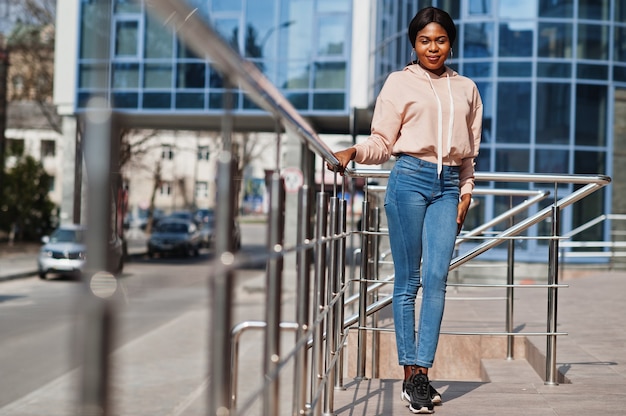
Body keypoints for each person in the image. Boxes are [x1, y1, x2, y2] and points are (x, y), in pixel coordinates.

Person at [328, 7, 482, 414]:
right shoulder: (399, 82)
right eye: (424, 40)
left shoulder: (466, 88)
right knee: (408, 281)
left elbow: (470, 152)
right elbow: (383, 140)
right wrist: (354, 151)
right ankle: (411, 375)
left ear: (451, 42)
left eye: (441, 39)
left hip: (448, 186)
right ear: (413, 44)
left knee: (436, 278)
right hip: (409, 180)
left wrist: (466, 192)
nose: (433, 47)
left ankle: (422, 370)